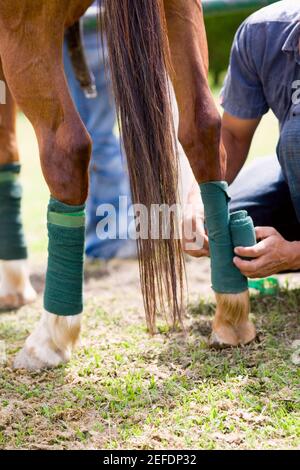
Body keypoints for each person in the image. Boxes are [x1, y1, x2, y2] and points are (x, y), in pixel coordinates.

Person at [219, 0, 300, 278]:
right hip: (290, 175)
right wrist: (202, 198)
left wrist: (293, 255)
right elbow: (232, 134)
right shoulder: (263, 32)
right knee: (223, 225)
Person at [64, 2, 136, 260]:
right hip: (110, 23)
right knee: (105, 133)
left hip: (85, 28)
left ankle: (109, 241)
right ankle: (120, 231)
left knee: (95, 136)